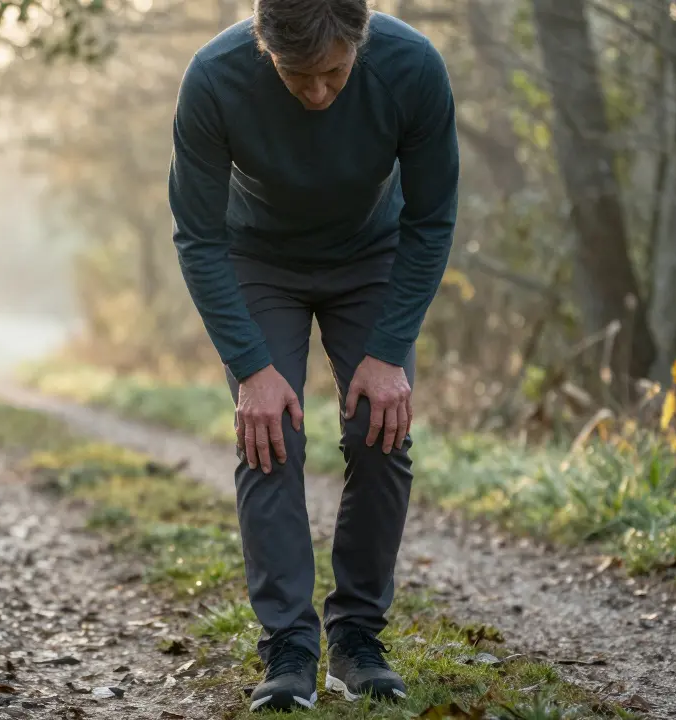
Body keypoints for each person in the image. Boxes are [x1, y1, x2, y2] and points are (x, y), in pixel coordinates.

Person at [168, 0, 459, 712]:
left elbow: (431, 220)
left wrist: (388, 351)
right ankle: (289, 647)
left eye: (334, 71)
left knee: (380, 431)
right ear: (263, 46)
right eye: (298, 75)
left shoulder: (412, 67)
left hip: (374, 257)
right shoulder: (214, 79)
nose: (319, 92)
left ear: (361, 38)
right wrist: (250, 367)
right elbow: (198, 237)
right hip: (258, 261)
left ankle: (357, 639)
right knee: (269, 435)